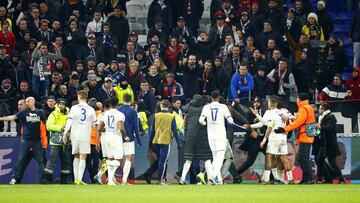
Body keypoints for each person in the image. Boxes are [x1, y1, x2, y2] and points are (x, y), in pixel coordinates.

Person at [0, 97, 47, 184]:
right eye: (25, 102)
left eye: (28, 101)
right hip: (25, 140)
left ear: (33, 102)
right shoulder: (23, 112)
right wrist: (2, 118)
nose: (26, 103)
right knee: (20, 159)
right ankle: (15, 178)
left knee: (41, 161)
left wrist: (44, 140)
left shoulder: (40, 112)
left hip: (37, 141)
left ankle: (42, 179)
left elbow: (44, 126)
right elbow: (12, 117)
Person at [199, 90, 242, 185]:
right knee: (220, 157)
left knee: (215, 157)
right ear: (218, 98)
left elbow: (201, 120)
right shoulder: (223, 107)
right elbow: (230, 121)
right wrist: (238, 126)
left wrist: (208, 124)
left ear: (211, 98)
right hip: (221, 135)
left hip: (211, 135)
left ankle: (218, 180)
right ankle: (212, 176)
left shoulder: (206, 107)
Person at [275, 93, 315, 184]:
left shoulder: (303, 108)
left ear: (300, 99)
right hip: (307, 135)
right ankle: (306, 178)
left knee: (303, 158)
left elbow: (298, 123)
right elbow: (300, 120)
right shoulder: (307, 107)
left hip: (305, 136)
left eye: (297, 98)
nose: (296, 100)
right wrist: (290, 117)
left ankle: (309, 178)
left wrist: (284, 129)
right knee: (302, 158)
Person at [62, 90, 96, 185]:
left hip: (75, 135)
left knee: (76, 156)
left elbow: (70, 121)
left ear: (79, 97)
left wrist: (65, 133)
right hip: (85, 135)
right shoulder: (91, 109)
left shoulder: (74, 108)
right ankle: (79, 179)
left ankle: (76, 179)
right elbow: (94, 125)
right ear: (86, 97)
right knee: (83, 157)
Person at [257, 97, 293, 184]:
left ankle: (265, 179)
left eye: (268, 102)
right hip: (283, 139)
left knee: (269, 157)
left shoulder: (271, 113)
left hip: (274, 138)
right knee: (284, 158)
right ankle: (290, 179)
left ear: (270, 104)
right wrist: (287, 130)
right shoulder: (283, 111)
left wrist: (264, 140)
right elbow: (291, 121)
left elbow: (269, 127)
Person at [179, 95, 213, 185]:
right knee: (207, 158)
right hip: (202, 138)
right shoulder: (205, 110)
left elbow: (185, 126)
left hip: (190, 138)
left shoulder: (189, 111)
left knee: (188, 159)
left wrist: (187, 137)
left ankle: (182, 179)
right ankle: (210, 179)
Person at [97, 98, 129, 185]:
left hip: (106, 137)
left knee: (110, 158)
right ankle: (101, 173)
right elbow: (121, 127)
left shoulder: (105, 114)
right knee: (118, 160)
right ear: (117, 104)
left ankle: (110, 180)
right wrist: (125, 137)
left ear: (110, 104)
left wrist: (107, 129)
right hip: (116, 137)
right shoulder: (120, 114)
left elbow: (99, 129)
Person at [149, 99, 181, 185]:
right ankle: (160, 180)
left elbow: (152, 130)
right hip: (165, 141)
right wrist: (178, 143)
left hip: (156, 140)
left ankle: (160, 179)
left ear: (161, 106)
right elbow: (174, 130)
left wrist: (150, 143)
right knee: (163, 161)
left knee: (160, 160)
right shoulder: (171, 116)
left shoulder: (156, 115)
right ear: (168, 106)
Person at [42, 98, 71, 184]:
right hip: (55, 141)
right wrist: (60, 127)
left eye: (63, 104)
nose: (61, 106)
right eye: (60, 104)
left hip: (65, 141)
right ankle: (47, 179)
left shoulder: (69, 115)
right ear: (57, 105)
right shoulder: (53, 114)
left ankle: (64, 179)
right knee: (52, 160)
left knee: (66, 160)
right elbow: (48, 126)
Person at [316, 103, 345, 184]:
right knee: (320, 160)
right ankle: (321, 179)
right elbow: (322, 130)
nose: (319, 110)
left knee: (331, 161)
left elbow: (330, 128)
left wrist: (320, 126)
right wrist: (318, 131)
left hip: (329, 144)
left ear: (324, 110)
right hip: (324, 143)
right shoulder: (323, 117)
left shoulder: (330, 117)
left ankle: (341, 179)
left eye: (320, 109)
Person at [118, 94, 142, 185]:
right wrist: (139, 141)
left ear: (123, 99)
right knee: (128, 158)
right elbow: (136, 127)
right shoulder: (133, 111)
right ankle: (124, 180)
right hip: (129, 137)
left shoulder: (118, 110)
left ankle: (111, 178)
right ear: (130, 100)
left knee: (116, 158)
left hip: (118, 137)